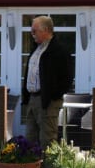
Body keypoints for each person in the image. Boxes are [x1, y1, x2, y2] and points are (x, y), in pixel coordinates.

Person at [20, 15, 73, 151]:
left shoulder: (59, 50)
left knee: (47, 140)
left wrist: (53, 95)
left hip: (47, 101)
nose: (32, 35)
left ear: (45, 30)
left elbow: (67, 79)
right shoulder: (36, 49)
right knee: (29, 139)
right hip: (32, 99)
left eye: (34, 31)